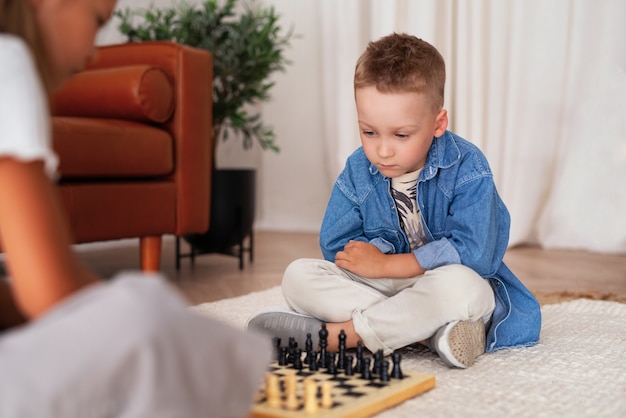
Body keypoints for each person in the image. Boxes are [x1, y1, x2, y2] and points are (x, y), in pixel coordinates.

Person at [0, 0, 271, 416]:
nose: (94, 52)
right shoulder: (9, 61)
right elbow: (51, 295)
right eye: (98, 21)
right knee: (145, 313)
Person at [247, 33, 541, 369]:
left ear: (437, 124)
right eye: (369, 132)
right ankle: (430, 333)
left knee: (466, 289)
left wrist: (387, 265)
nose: (382, 150)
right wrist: (375, 264)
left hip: (443, 282)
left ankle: (341, 336)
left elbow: (476, 255)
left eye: (401, 135)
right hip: (386, 288)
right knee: (298, 276)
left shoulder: (468, 167)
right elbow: (337, 246)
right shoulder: (358, 169)